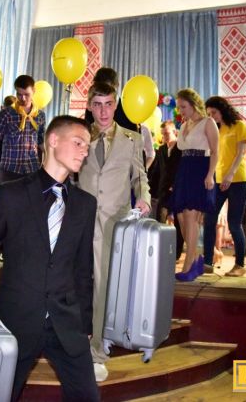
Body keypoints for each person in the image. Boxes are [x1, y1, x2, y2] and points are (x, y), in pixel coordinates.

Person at [0, 116, 99, 401]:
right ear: (53, 140)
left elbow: (83, 270)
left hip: (66, 322)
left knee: (87, 396)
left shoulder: (86, 204)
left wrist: (85, 324)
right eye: (78, 142)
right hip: (18, 318)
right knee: (0, 395)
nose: (84, 151)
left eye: (87, 146)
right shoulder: (12, 194)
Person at [78, 82, 150, 382]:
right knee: (75, 284)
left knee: (103, 287)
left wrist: (144, 197)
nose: (104, 111)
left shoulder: (132, 139)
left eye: (109, 104)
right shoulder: (79, 136)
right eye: (97, 104)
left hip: (112, 224)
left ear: (116, 104)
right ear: (90, 106)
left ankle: (97, 352)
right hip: (80, 222)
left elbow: (140, 177)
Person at [169, 89, 218, 281]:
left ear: (193, 104)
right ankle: (196, 259)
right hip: (184, 170)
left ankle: (189, 265)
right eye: (179, 107)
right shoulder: (184, 125)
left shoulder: (208, 122)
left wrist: (210, 175)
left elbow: (215, 151)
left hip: (200, 169)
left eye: (183, 106)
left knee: (192, 217)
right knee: (181, 217)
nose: (180, 110)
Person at [203, 96, 246, 277]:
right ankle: (207, 262)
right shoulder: (216, 130)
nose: (212, 116)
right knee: (209, 219)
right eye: (209, 114)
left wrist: (230, 175)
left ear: (223, 109)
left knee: (234, 224)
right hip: (218, 180)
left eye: (214, 112)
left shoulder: (239, 126)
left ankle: (240, 264)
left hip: (237, 180)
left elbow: (241, 153)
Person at [0, 75, 46, 183]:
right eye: (19, 94)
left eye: (26, 94)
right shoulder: (7, 113)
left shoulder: (40, 115)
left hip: (32, 168)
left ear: (33, 91)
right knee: (7, 194)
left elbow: (41, 140)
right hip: (9, 170)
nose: (23, 98)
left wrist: (47, 160)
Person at [151, 120, 184, 261]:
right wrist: (152, 189)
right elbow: (157, 171)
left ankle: (177, 253)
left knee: (179, 223)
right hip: (163, 191)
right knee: (160, 220)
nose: (165, 136)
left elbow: (183, 170)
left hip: (178, 190)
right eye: (163, 134)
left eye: (167, 133)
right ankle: (159, 251)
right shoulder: (161, 150)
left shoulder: (182, 148)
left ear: (175, 132)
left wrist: (176, 184)